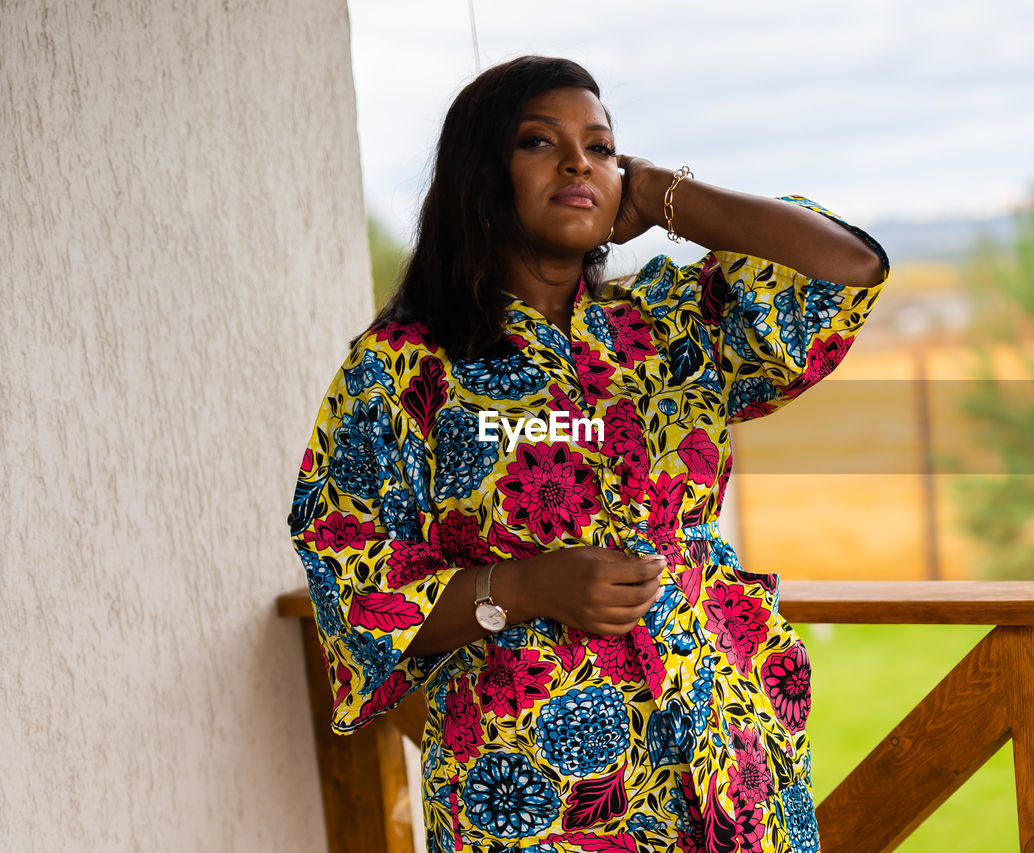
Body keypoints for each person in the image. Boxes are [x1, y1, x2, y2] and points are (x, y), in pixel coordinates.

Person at [288, 55, 889, 853]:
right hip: (534, 789)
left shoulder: (668, 327)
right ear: (481, 175)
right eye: (539, 142)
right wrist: (526, 584)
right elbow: (355, 590)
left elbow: (848, 269)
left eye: (600, 147)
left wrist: (663, 194)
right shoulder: (402, 369)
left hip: (721, 755)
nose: (578, 161)